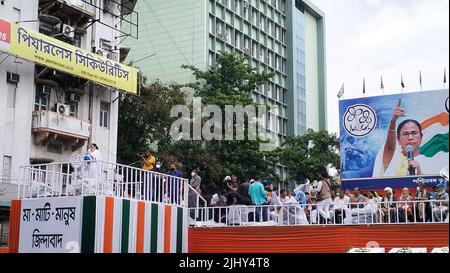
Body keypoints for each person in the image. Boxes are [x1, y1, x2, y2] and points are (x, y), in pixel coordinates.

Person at [373, 99, 436, 177]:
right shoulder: (393, 158)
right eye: (405, 134)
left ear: (421, 137)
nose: (410, 137)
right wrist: (393, 120)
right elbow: (389, 147)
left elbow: (434, 186)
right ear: (398, 140)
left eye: (414, 133)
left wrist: (419, 173)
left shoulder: (430, 162)